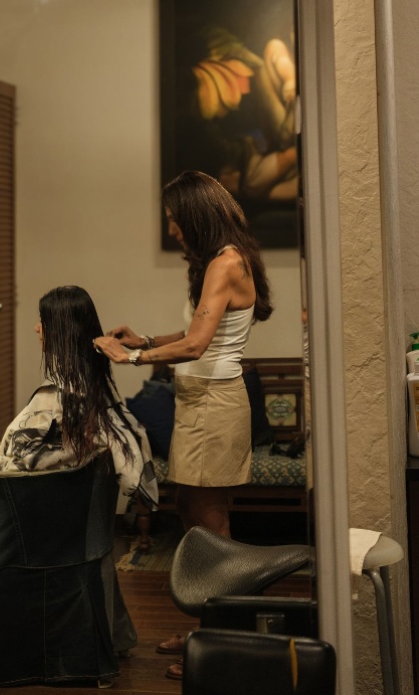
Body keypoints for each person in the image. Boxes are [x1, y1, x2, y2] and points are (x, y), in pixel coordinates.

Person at [0, 285, 158, 664]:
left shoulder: (60, 394)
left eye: (43, 322)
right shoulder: (94, 382)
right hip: (70, 509)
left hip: (37, 514)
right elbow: (64, 454)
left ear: (57, 331)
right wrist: (4, 456)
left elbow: (48, 462)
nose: (36, 329)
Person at [93, 170, 272, 680]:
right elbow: (196, 332)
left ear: (194, 216)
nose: (171, 227)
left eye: (174, 218)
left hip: (216, 402)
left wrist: (128, 358)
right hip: (196, 399)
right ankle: (208, 627)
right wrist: (142, 338)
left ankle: (223, 636)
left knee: (211, 524)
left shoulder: (227, 263)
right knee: (191, 513)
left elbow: (195, 348)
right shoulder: (217, 261)